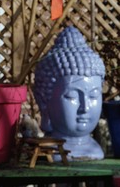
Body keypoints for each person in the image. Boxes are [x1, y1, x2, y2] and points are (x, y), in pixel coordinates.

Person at [33, 25, 105, 160]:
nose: (85, 107)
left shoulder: (95, 149)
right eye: (72, 96)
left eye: (93, 96)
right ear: (43, 100)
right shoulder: (49, 150)